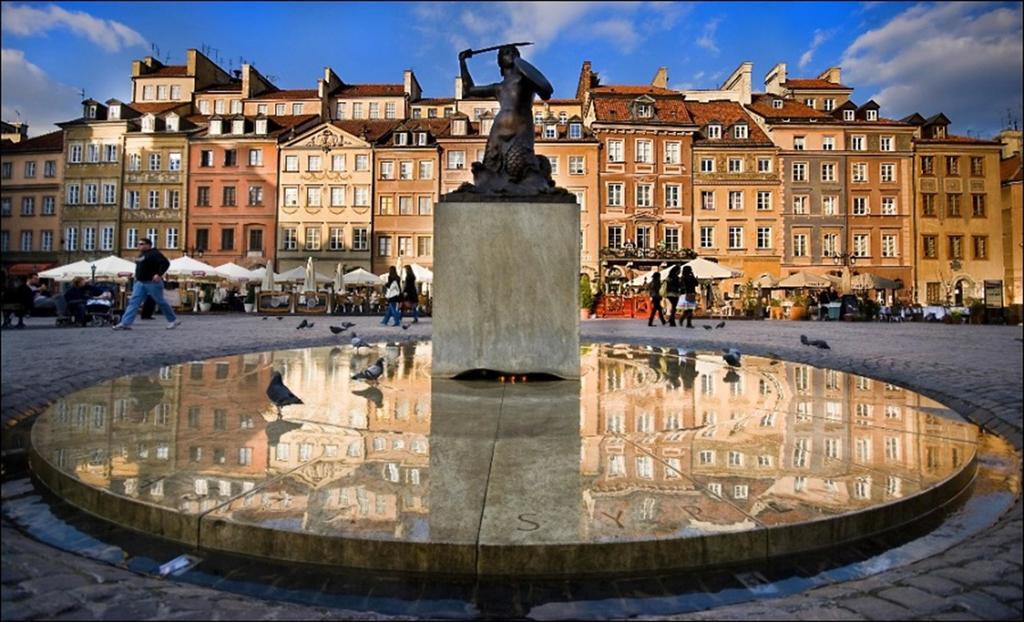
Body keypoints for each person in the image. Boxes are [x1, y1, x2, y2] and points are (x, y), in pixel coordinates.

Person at [113, 238, 181, 330]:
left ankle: (173, 320)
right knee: (133, 302)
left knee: (160, 301)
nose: (139, 245)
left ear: (148, 245)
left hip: (152, 283)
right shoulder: (141, 254)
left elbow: (165, 263)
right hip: (140, 282)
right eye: (138, 244)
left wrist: (159, 274)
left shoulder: (154, 253)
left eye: (142, 244)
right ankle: (125, 323)